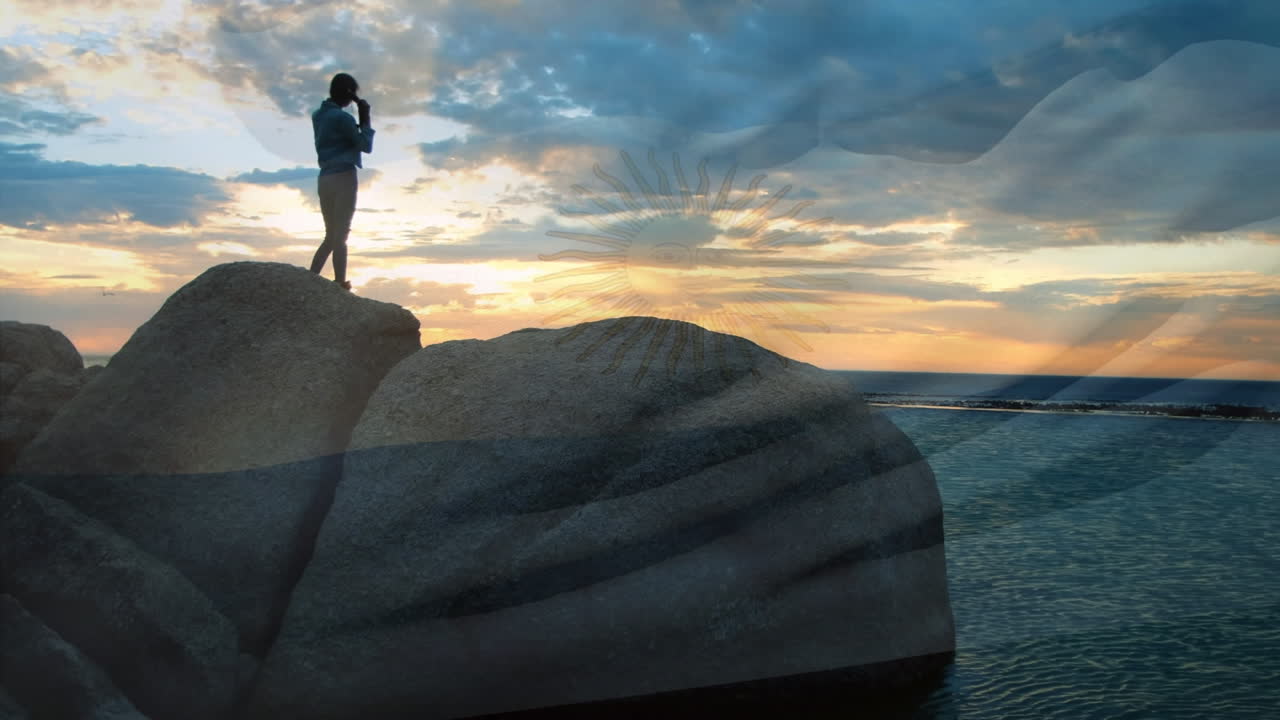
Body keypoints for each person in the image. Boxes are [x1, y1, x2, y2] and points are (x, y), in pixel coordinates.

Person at [310, 72, 374, 290]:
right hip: (344, 176)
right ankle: (340, 283)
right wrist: (365, 118)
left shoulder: (318, 115)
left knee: (330, 234)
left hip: (325, 177)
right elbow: (365, 145)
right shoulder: (342, 118)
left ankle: (310, 279)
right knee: (342, 234)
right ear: (348, 94)